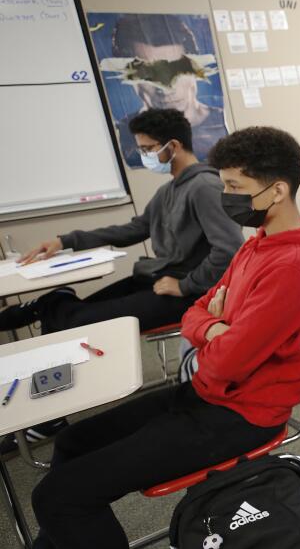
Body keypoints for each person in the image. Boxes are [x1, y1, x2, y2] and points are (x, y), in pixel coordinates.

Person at [0, 126, 300, 549]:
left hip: (241, 415)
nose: (226, 197)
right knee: (71, 444)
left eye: (233, 186)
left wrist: (216, 331)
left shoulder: (293, 263)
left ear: (278, 190)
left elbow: (224, 362)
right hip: (206, 395)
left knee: (59, 496)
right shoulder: (258, 245)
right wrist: (214, 325)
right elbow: (196, 312)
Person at [0, 108, 243, 453]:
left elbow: (230, 250)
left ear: (172, 146)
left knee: (75, 320)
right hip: (156, 278)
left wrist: (186, 285)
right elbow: (133, 229)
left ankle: (47, 406)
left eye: (147, 148)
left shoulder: (204, 186)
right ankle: (48, 402)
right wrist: (65, 240)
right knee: (66, 310)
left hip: (185, 292)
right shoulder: (170, 190)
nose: (143, 155)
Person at [109, 14, 228, 166]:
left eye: (176, 70)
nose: (166, 88)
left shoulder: (224, 127)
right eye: (149, 74)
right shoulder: (123, 134)